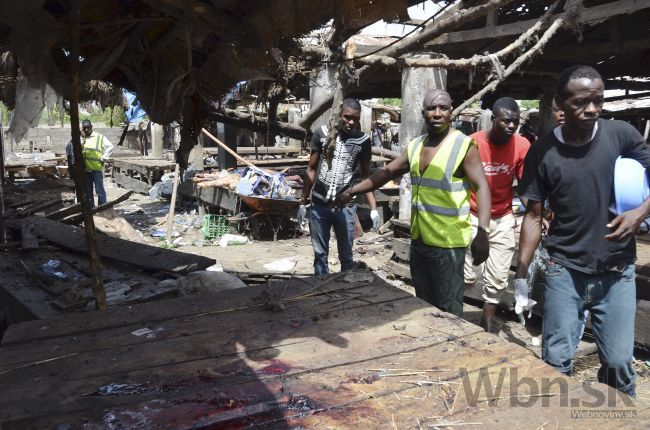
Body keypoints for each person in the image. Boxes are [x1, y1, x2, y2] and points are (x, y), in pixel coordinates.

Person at [516, 65, 650, 397]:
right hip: (564, 269)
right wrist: (521, 275)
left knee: (619, 363)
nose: (591, 110)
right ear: (559, 104)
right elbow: (533, 217)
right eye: (580, 102)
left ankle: (619, 418)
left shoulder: (621, 134)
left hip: (617, 269)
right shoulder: (542, 151)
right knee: (554, 362)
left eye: (598, 101)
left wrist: (639, 212)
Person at [335, 89, 491, 316]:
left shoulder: (463, 146)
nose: (437, 113)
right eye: (431, 108)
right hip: (420, 241)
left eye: (443, 108)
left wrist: (483, 231)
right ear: (423, 113)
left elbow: (483, 187)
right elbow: (387, 172)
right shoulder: (416, 146)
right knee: (424, 307)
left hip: (448, 245)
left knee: (448, 310)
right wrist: (352, 191)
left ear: (451, 112)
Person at [464, 97, 530, 332]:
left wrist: (535, 212)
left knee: (498, 277)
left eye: (516, 122)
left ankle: (486, 324)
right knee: (468, 275)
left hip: (503, 216)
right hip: (472, 214)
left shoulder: (522, 146)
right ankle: (453, 315)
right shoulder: (472, 143)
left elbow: (524, 185)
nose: (511, 126)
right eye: (506, 122)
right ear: (493, 120)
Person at [298, 98, 379, 275]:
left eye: (355, 119)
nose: (351, 122)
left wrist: (374, 208)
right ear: (339, 115)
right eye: (347, 117)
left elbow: (366, 176)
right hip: (319, 204)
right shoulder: (321, 134)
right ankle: (321, 290)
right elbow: (311, 169)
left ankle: (345, 291)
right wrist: (303, 202)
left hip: (346, 206)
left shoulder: (363, 141)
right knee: (320, 255)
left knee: (347, 256)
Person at [81, 119, 113, 207]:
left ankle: (102, 208)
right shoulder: (82, 138)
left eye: (88, 127)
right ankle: (91, 209)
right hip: (86, 170)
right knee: (88, 191)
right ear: (82, 128)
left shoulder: (99, 137)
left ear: (91, 127)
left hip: (96, 169)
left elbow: (110, 146)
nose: (86, 130)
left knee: (100, 190)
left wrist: (104, 158)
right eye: (84, 128)